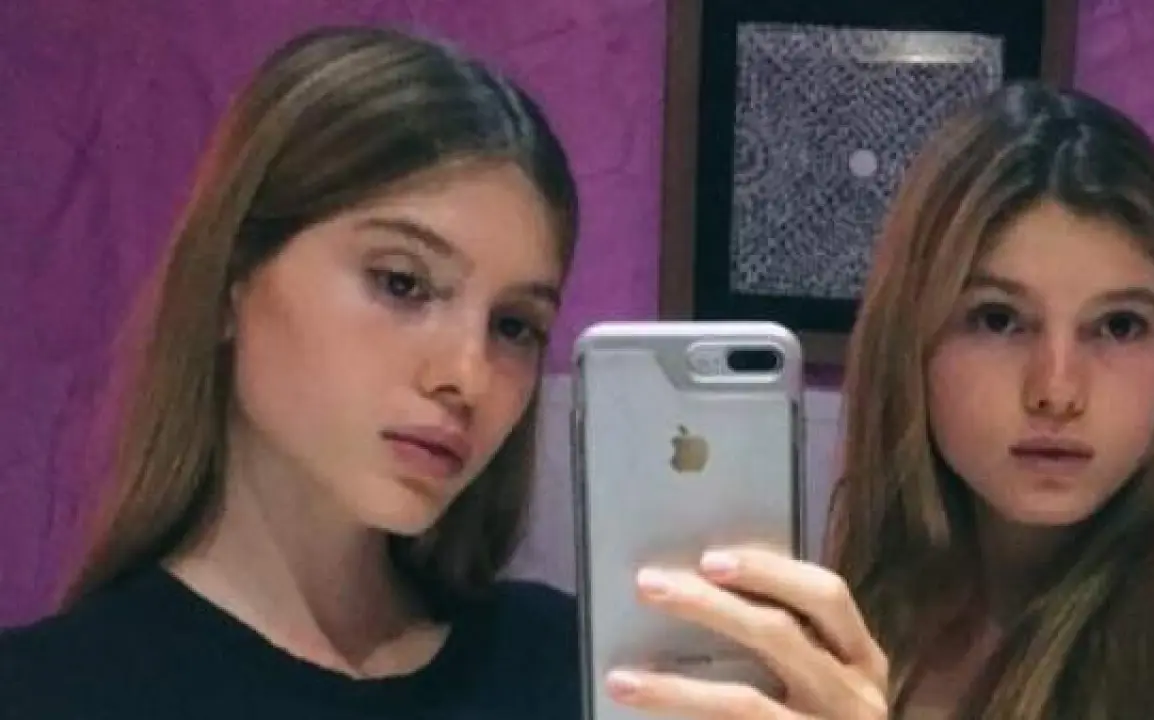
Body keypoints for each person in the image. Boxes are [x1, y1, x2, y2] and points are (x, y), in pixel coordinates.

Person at [0, 25, 887, 720]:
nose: (467, 374)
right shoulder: (47, 691)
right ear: (233, 278)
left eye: (514, 326)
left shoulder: (583, 673)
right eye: (401, 282)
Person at [827, 81, 1154, 719]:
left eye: (1119, 326)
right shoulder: (864, 616)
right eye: (998, 320)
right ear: (910, 345)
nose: (1058, 392)